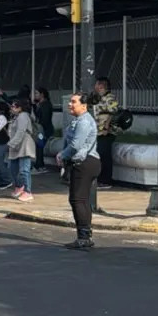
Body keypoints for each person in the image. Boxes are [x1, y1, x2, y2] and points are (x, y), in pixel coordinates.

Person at [58, 92, 101, 250]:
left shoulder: (84, 121)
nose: (70, 104)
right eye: (70, 101)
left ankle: (84, 236)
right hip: (86, 162)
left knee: (77, 199)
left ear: (84, 105)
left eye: (73, 102)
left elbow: (76, 144)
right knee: (81, 199)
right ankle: (85, 235)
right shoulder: (80, 120)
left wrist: (62, 155)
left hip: (85, 162)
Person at [91, 77, 119, 189]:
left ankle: (105, 180)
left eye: (97, 84)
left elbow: (114, 112)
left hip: (107, 131)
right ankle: (103, 179)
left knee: (102, 154)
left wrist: (107, 126)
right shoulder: (98, 98)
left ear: (102, 85)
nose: (95, 86)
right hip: (99, 131)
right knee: (104, 155)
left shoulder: (110, 98)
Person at [7, 98, 36, 202]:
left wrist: (11, 143)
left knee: (24, 170)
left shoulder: (23, 116)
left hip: (24, 145)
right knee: (12, 168)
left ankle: (28, 191)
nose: (11, 108)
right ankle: (19, 187)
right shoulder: (16, 117)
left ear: (20, 108)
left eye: (14, 106)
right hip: (16, 146)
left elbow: (21, 132)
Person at [32, 87, 54, 173]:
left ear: (42, 94)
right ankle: (39, 164)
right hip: (40, 128)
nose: (35, 95)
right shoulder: (40, 104)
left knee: (39, 146)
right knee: (39, 146)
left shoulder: (45, 104)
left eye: (37, 93)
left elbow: (44, 118)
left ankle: (40, 165)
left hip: (43, 129)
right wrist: (34, 106)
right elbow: (37, 115)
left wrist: (40, 127)